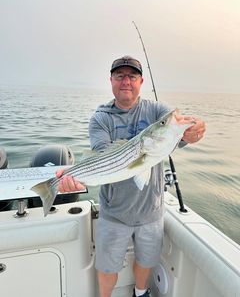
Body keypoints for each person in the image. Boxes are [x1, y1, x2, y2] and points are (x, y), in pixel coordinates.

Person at [56, 55, 206, 297]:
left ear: (141, 81)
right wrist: (72, 176)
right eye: (120, 76)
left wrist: (194, 128)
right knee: (106, 267)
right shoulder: (101, 118)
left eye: (132, 76)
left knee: (147, 261)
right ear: (111, 80)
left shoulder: (157, 110)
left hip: (151, 211)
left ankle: (140, 292)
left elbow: (181, 127)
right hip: (113, 213)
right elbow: (103, 158)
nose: (126, 81)